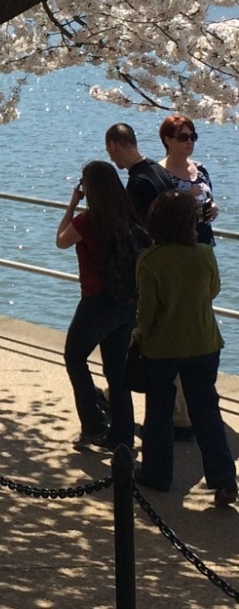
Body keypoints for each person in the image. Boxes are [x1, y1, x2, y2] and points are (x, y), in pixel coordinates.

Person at [133, 191, 238, 505]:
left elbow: (147, 311)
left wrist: (140, 335)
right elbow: (213, 290)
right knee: (206, 411)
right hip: (204, 343)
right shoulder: (205, 254)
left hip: (162, 347)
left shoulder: (150, 260)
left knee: (159, 413)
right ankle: (224, 478)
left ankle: (157, 474)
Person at [55, 160, 139, 451]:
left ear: (88, 189)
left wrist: (72, 204)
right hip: (126, 301)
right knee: (116, 372)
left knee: (74, 357)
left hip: (97, 301)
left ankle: (93, 425)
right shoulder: (128, 217)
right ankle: (123, 436)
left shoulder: (87, 221)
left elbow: (61, 241)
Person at [157, 112, 219, 246]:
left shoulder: (200, 169)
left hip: (204, 244)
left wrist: (213, 208)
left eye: (193, 137)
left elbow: (209, 199)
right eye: (183, 137)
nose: (189, 141)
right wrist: (186, 198)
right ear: (168, 140)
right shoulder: (159, 174)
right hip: (176, 246)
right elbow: (158, 215)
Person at [105, 123, 177, 225]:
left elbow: (137, 227)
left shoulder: (137, 183)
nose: (111, 158)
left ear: (112, 146)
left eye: (107, 150)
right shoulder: (160, 170)